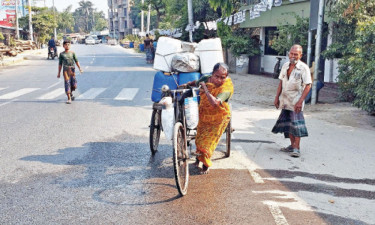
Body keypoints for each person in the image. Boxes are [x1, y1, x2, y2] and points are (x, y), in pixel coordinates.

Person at [179, 63, 234, 174]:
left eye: (222, 77)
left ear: (226, 77)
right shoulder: (206, 78)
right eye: (216, 76)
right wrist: (187, 84)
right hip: (204, 114)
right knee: (199, 139)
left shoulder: (226, 88)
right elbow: (197, 82)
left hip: (219, 117)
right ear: (212, 74)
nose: (219, 80)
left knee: (208, 142)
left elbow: (214, 103)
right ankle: (197, 159)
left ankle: (205, 164)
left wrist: (205, 88)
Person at [272, 44, 312, 158]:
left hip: (296, 100)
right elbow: (281, 82)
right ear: (289, 53)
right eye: (291, 53)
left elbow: (308, 85)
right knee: (288, 124)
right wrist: (277, 97)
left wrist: (300, 101)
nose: (293, 56)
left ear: (300, 55)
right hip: (285, 99)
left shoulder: (303, 68)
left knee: (296, 125)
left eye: (296, 54)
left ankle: (296, 148)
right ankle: (291, 145)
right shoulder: (285, 66)